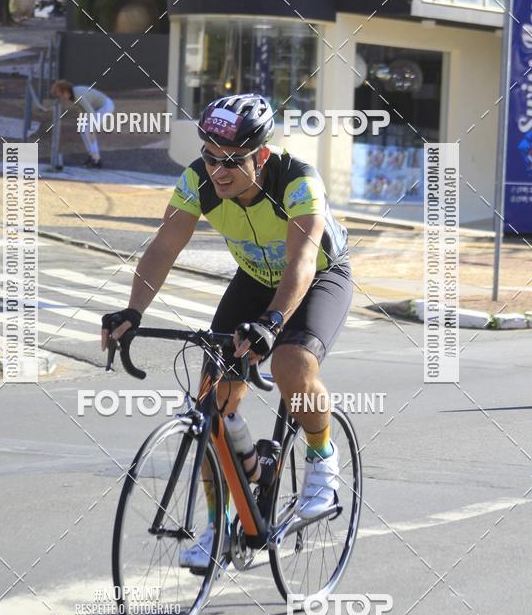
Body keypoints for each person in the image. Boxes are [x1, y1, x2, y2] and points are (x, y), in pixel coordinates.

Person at [101, 94, 352, 569]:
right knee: (211, 405)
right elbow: (164, 247)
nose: (219, 170)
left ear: (261, 154)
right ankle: (223, 523)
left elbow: (300, 262)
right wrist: (131, 311)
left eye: (232, 161)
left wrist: (273, 323)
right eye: (211, 157)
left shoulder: (298, 181)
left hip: (318, 276)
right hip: (254, 280)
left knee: (291, 365)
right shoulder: (197, 179)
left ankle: (323, 459)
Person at [50, 79, 114, 168]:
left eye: (61, 95)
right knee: (83, 130)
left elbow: (90, 112)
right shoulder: (73, 94)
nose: (62, 98)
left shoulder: (77, 94)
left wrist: (91, 128)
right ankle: (92, 155)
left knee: (88, 131)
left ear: (65, 91)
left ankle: (97, 159)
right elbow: (82, 110)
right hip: (96, 108)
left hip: (105, 106)